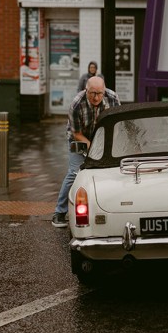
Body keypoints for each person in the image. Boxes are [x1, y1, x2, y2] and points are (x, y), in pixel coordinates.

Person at [53, 76, 121, 227]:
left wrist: (107, 144)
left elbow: (116, 125)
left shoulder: (113, 98)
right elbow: (76, 133)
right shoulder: (76, 104)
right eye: (92, 93)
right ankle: (59, 212)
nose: (96, 97)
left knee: (109, 170)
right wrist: (92, 146)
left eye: (99, 93)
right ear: (86, 90)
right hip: (79, 138)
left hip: (103, 138)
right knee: (75, 172)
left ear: (104, 91)